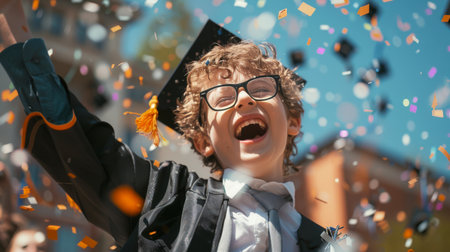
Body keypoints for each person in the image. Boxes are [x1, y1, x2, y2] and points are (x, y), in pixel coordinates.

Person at [0, 1, 328, 251]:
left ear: (294, 122)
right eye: (223, 96)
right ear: (203, 143)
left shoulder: (325, 244)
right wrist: (16, 34)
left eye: (260, 89)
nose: (244, 100)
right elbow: (95, 155)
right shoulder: (171, 200)